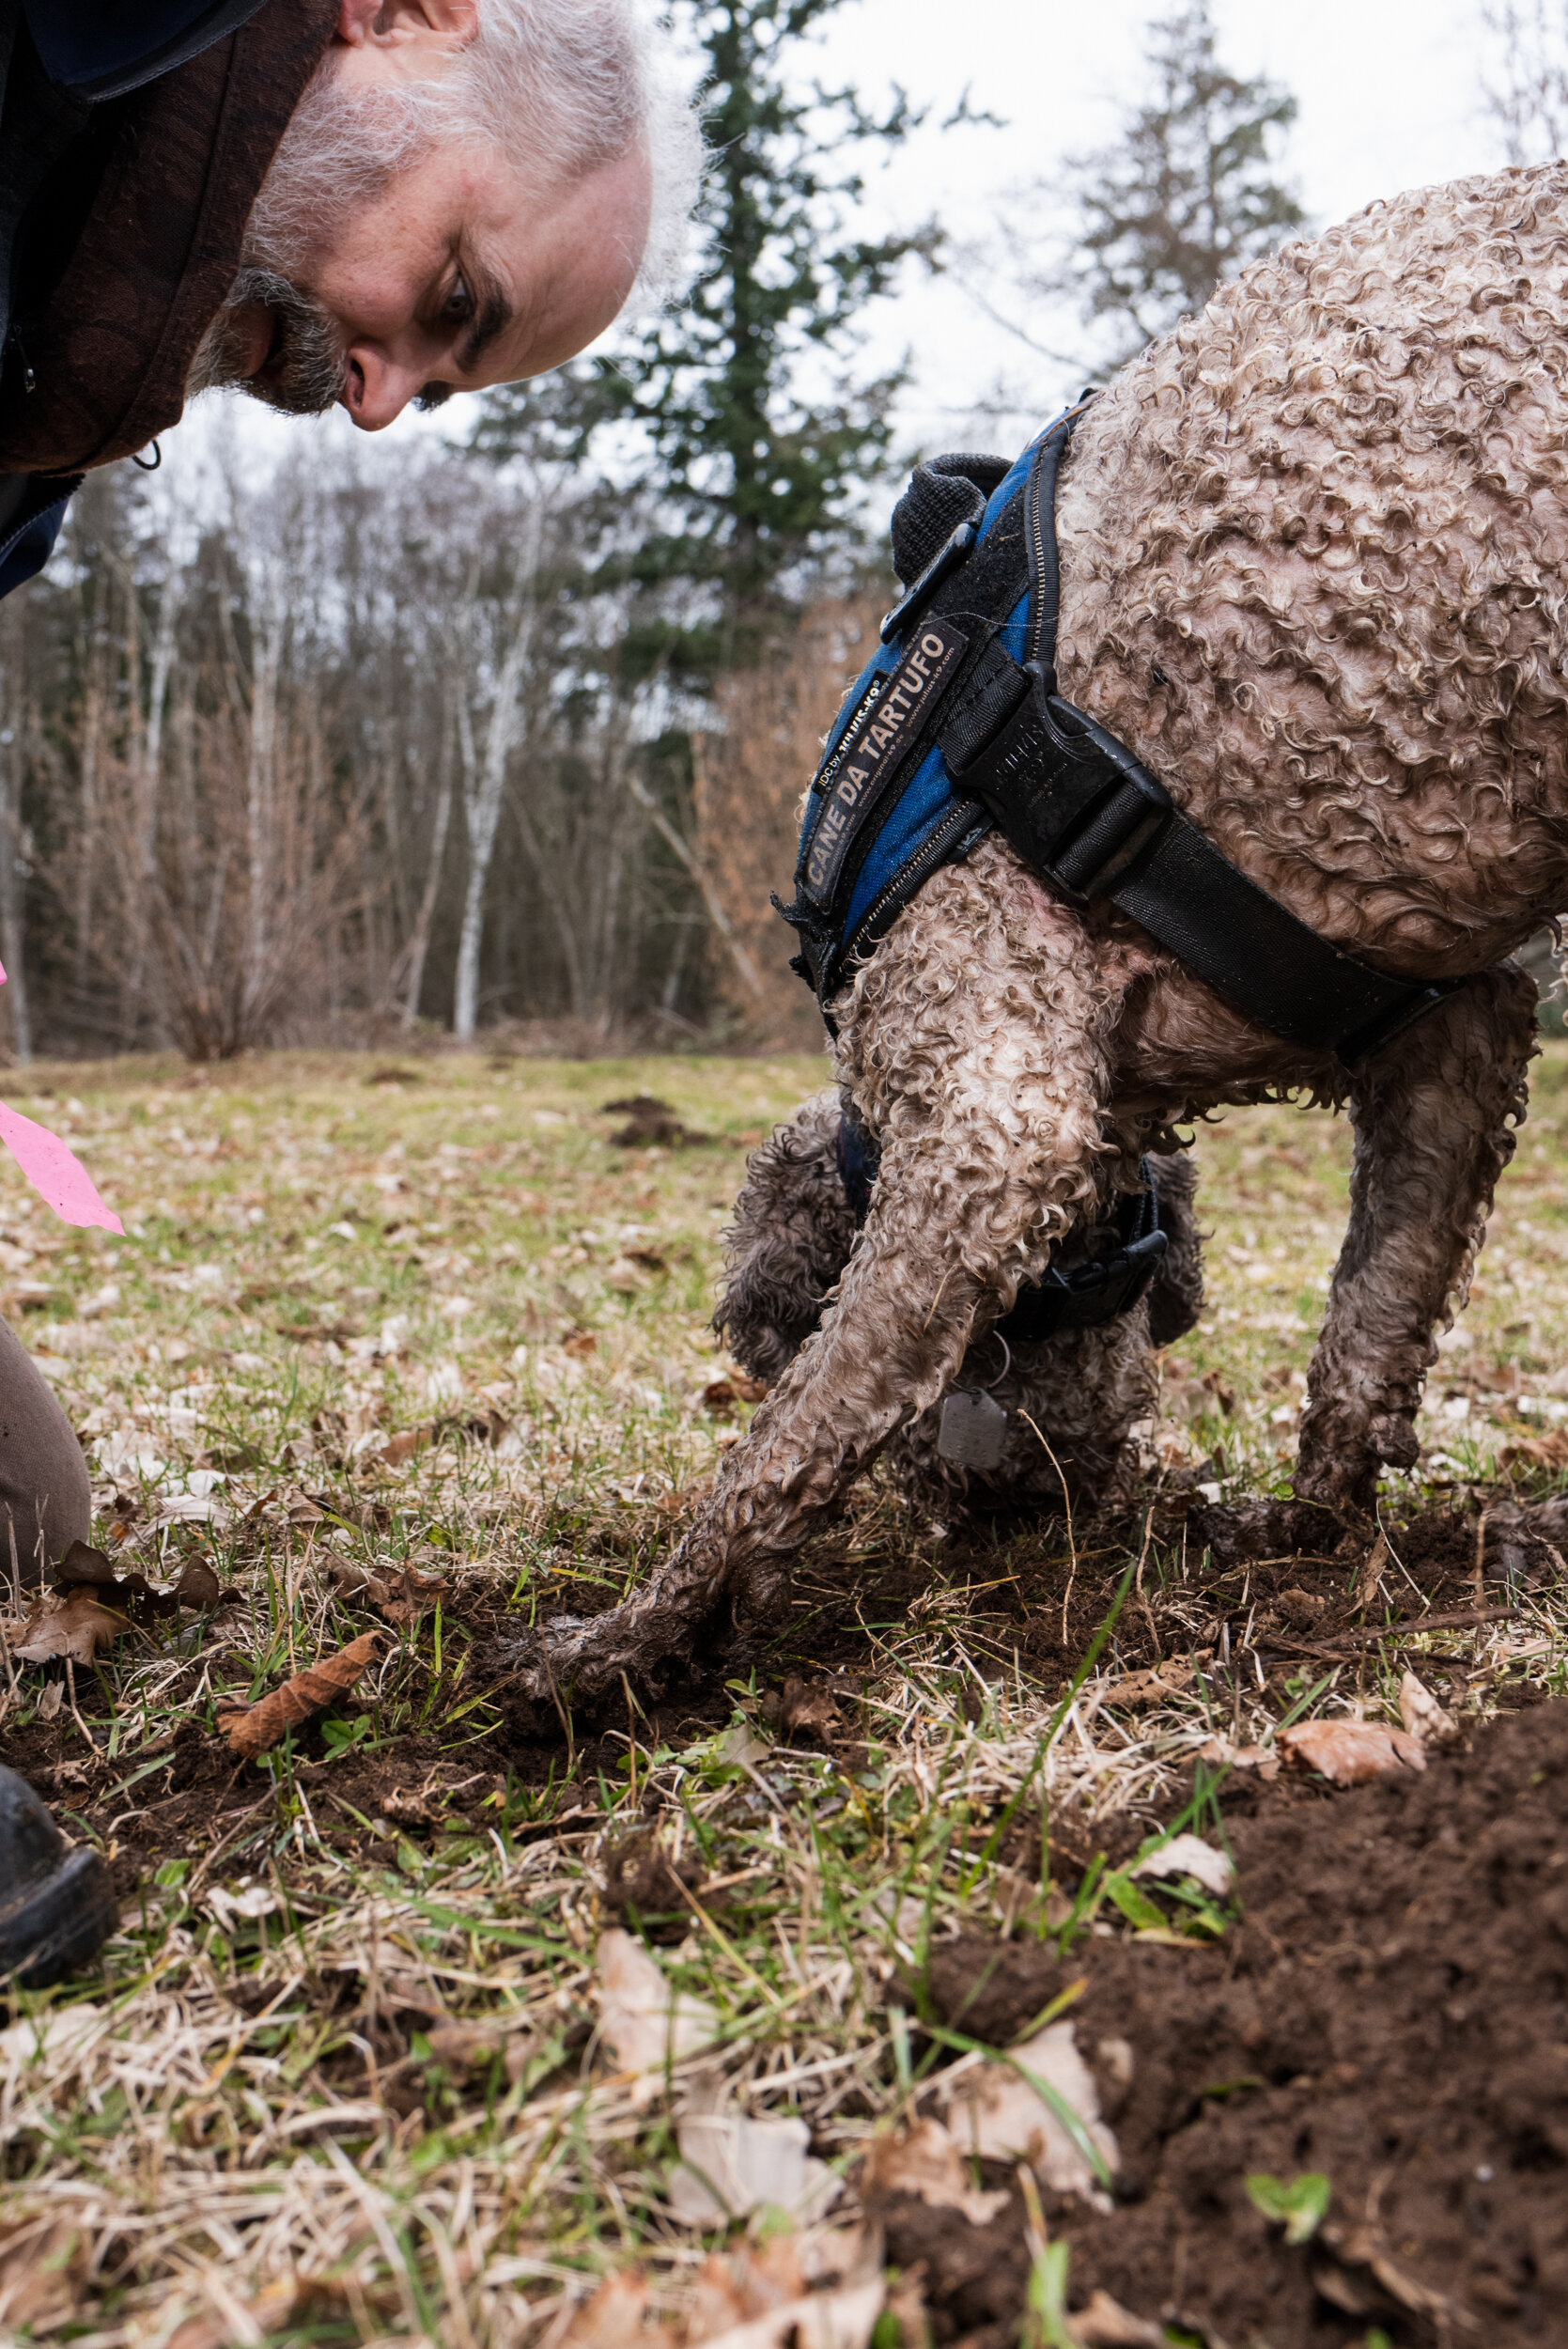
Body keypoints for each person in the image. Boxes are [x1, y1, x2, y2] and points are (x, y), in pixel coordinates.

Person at [0, 0, 700, 1585]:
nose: (378, 402)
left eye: (441, 385)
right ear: (402, 14)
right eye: (453, 297)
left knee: (26, 1534)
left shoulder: (59, 407)